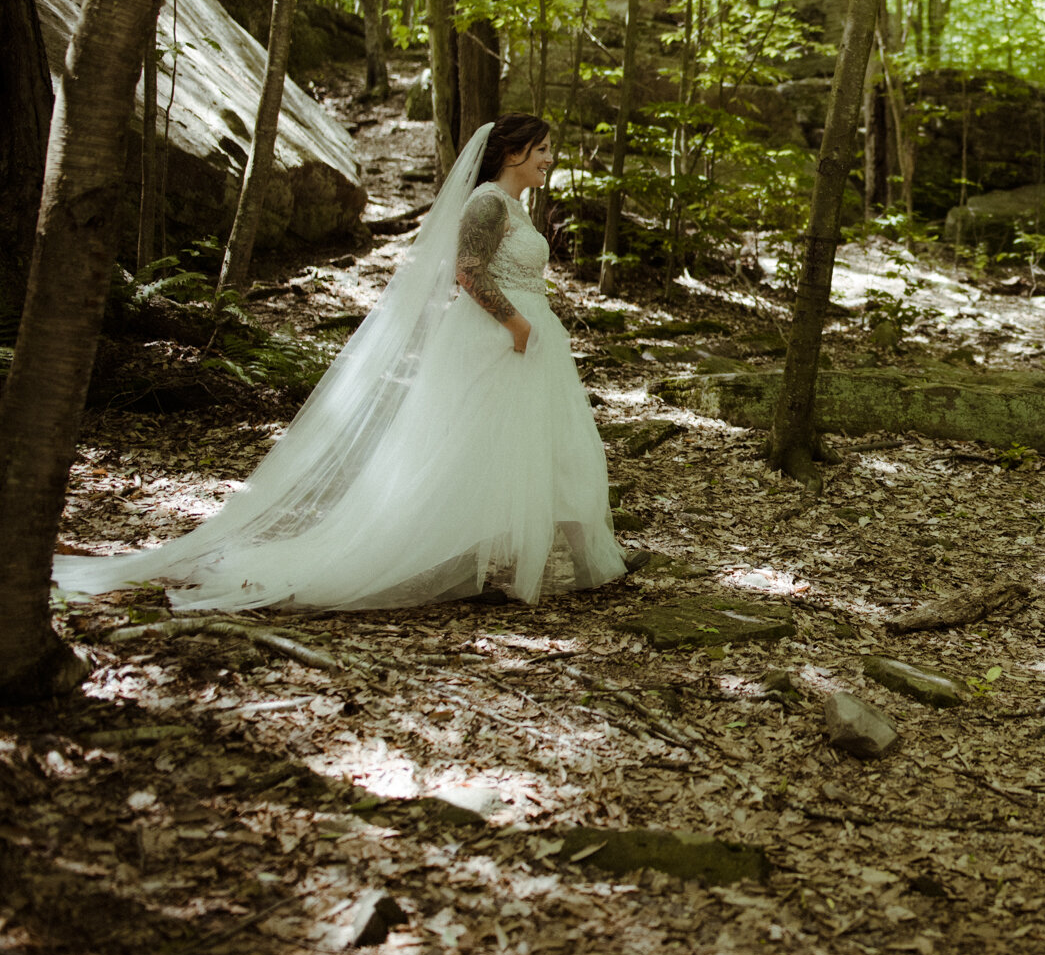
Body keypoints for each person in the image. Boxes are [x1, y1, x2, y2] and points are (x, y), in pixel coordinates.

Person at [55, 115, 632, 611]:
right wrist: (517, 324)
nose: (550, 160)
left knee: (545, 446)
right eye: (542, 150)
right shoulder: (486, 204)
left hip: (527, 343)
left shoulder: (514, 205)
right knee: (467, 451)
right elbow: (468, 271)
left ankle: (582, 561)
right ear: (512, 153)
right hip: (497, 340)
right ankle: (442, 559)